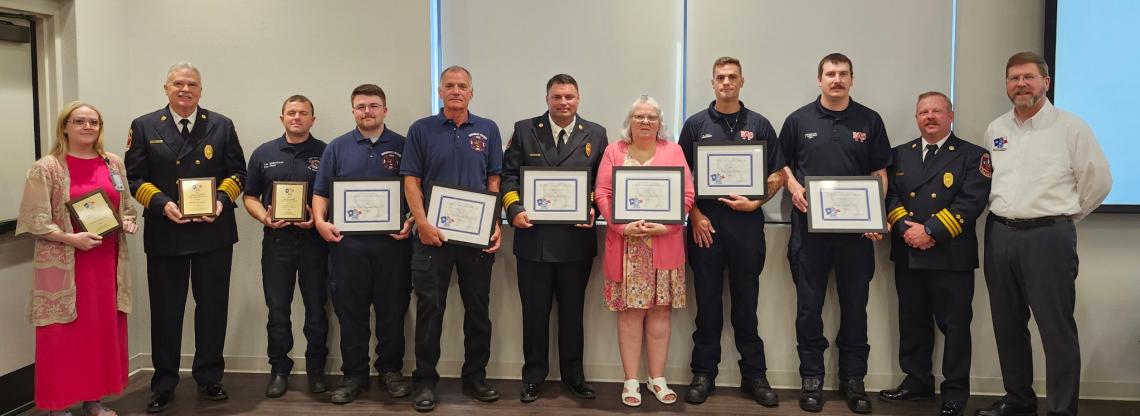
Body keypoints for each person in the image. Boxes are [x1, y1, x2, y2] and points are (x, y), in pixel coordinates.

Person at [976, 52, 1111, 416]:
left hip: (1048, 238)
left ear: (1045, 83)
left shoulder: (1071, 127)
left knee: (1056, 329)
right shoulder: (996, 129)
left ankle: (1061, 410)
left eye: (1028, 77)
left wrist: (1063, 219)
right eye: (1014, 78)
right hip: (999, 235)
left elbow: (1099, 181)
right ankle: (1019, 401)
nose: (1021, 84)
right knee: (1007, 324)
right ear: (1006, 85)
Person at [125, 62, 247, 413]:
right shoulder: (144, 125)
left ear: (200, 90)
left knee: (212, 308)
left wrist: (220, 201)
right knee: (166, 311)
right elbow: (135, 177)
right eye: (177, 83)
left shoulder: (221, 125)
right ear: (166, 88)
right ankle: (164, 383)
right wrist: (162, 204)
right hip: (166, 231)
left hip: (213, 231)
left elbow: (237, 173)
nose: (184, 89)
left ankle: (209, 377)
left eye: (191, 84)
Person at [779, 53, 890, 414]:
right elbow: (781, 165)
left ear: (852, 79)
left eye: (843, 74)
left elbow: (879, 174)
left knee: (855, 308)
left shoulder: (870, 120)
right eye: (830, 73)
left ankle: (853, 380)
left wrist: (875, 215)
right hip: (809, 234)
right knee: (808, 308)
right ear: (820, 79)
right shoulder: (798, 120)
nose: (837, 79)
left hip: (856, 237)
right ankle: (811, 379)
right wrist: (794, 187)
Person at [17, 101, 137, 416]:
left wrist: (128, 221)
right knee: (63, 336)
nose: (87, 127)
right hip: (66, 265)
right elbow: (34, 220)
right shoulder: (46, 168)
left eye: (93, 122)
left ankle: (93, 401)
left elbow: (125, 206)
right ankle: (59, 406)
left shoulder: (113, 163)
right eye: (79, 121)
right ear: (65, 127)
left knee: (99, 334)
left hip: (106, 264)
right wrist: (71, 238)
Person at [677, 57, 785, 407]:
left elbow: (778, 174)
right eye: (720, 77)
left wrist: (756, 203)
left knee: (746, 305)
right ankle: (703, 374)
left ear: (742, 81)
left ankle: (754, 375)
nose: (726, 82)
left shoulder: (760, 124)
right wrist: (694, 214)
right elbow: (681, 177)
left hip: (747, 224)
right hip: (705, 225)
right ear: (713, 83)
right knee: (708, 306)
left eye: (732, 77)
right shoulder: (695, 125)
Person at [880, 92, 990, 416]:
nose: (930, 116)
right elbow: (890, 196)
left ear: (950, 116)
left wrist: (929, 231)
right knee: (912, 321)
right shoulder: (899, 155)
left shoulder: (973, 155)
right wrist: (906, 229)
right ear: (916, 118)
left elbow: (971, 202)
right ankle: (917, 381)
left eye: (937, 111)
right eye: (924, 112)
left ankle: (954, 392)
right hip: (909, 252)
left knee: (955, 327)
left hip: (951, 255)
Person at [500, 74, 608, 403]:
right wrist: (514, 209)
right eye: (557, 97)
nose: (563, 102)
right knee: (535, 314)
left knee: (573, 314)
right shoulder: (525, 130)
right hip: (533, 240)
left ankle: (574, 376)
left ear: (578, 98)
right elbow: (508, 176)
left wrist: (591, 208)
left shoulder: (595, 133)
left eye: (569, 96)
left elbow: (601, 183)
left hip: (576, 242)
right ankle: (534, 376)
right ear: (547, 99)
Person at [402, 66, 504, 412]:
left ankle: (475, 377)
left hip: (476, 238)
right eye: (449, 85)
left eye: (462, 86)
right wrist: (422, 224)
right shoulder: (421, 129)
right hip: (432, 236)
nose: (456, 90)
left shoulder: (488, 129)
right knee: (430, 310)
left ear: (471, 92)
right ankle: (425, 381)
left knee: (478, 310)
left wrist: (494, 223)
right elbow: (411, 181)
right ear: (440, 91)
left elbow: (493, 181)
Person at [311, 84, 415, 404]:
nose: (367, 111)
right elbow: (321, 192)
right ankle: (354, 375)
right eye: (360, 106)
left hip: (392, 245)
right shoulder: (337, 147)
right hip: (348, 246)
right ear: (353, 111)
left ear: (385, 110)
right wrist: (320, 222)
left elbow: (417, 191)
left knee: (391, 311)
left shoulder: (404, 145)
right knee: (351, 312)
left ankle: (390, 371)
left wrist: (411, 221)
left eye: (373, 106)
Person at [594, 95, 694, 408]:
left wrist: (668, 225)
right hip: (626, 249)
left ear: (660, 122)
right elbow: (602, 193)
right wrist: (621, 226)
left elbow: (687, 194)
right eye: (639, 116)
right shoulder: (614, 151)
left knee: (660, 313)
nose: (646, 122)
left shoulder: (673, 151)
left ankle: (657, 378)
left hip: (664, 245)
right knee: (630, 315)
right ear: (630, 121)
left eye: (651, 117)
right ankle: (630, 380)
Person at [242, 95, 330, 398]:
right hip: (276, 243)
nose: (297, 117)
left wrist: (318, 218)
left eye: (303, 113)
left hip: (315, 244)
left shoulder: (327, 152)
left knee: (317, 310)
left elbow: (335, 195)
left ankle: (317, 371)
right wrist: (264, 217)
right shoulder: (263, 153)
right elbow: (249, 196)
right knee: (278, 311)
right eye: (291, 112)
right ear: (282, 118)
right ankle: (279, 370)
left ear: (312, 119)